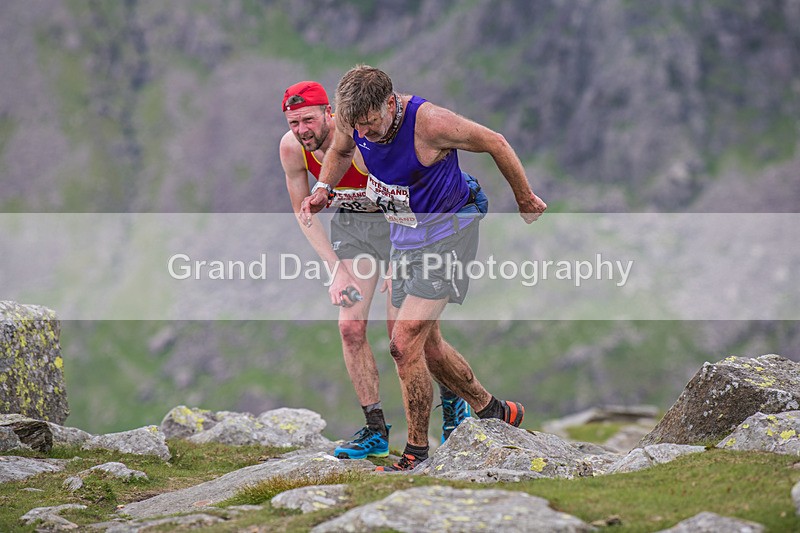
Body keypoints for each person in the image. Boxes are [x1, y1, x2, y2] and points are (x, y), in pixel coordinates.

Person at [300, 66, 547, 471]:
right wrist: (324, 188)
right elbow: (341, 151)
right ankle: (492, 409)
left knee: (403, 344)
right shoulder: (353, 119)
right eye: (359, 125)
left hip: (450, 233)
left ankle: (415, 452)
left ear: (390, 102)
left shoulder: (430, 123)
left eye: (373, 123)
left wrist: (524, 198)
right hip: (405, 237)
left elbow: (496, 142)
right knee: (427, 346)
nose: (367, 132)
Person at [279, 81, 472, 459]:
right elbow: (303, 213)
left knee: (404, 336)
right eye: (293, 122)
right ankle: (374, 429)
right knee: (350, 327)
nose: (301, 130)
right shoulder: (292, 150)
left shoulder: (358, 139)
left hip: (399, 222)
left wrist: (400, 255)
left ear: (329, 114)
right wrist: (335, 270)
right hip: (353, 228)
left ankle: (454, 402)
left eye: (307, 120)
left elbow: (402, 189)